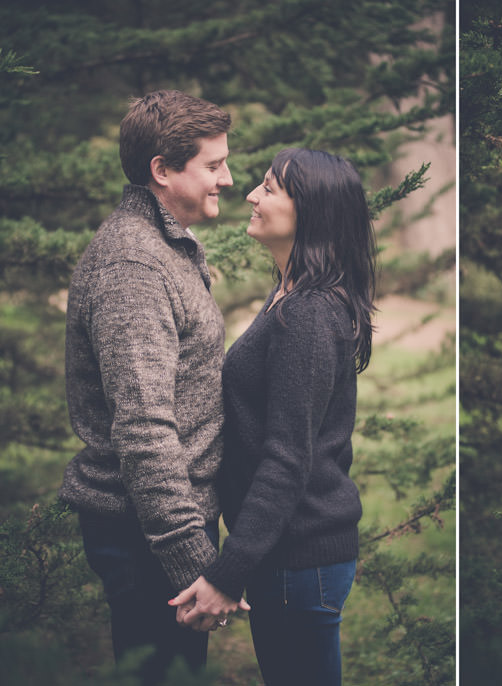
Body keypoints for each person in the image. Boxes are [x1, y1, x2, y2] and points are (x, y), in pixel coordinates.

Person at [168, 148, 376, 686]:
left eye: (269, 188)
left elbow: (287, 458)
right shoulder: (291, 294)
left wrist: (226, 573)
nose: (252, 196)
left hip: (298, 557)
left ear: (310, 211)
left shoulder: (306, 312)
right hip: (290, 554)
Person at [59, 90, 245, 684]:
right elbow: (143, 427)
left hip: (164, 522)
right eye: (213, 166)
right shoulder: (132, 267)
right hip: (147, 532)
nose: (229, 178)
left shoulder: (166, 246)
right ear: (161, 171)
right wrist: (192, 557)